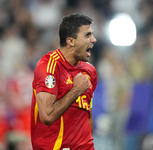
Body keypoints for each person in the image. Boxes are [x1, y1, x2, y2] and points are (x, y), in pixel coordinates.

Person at [30, 13, 98, 150]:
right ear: (70, 41)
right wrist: (76, 90)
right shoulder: (48, 66)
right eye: (87, 35)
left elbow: (86, 113)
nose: (94, 39)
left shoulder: (90, 72)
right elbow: (47, 116)